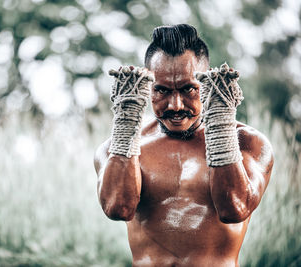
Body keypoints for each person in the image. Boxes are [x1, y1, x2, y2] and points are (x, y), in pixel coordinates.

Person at [94, 24, 274, 266]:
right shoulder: (116, 149)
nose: (175, 105)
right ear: (147, 87)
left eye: (189, 89)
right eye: (162, 90)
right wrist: (127, 120)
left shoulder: (249, 143)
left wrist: (220, 120)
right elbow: (118, 208)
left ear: (206, 79)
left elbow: (235, 209)